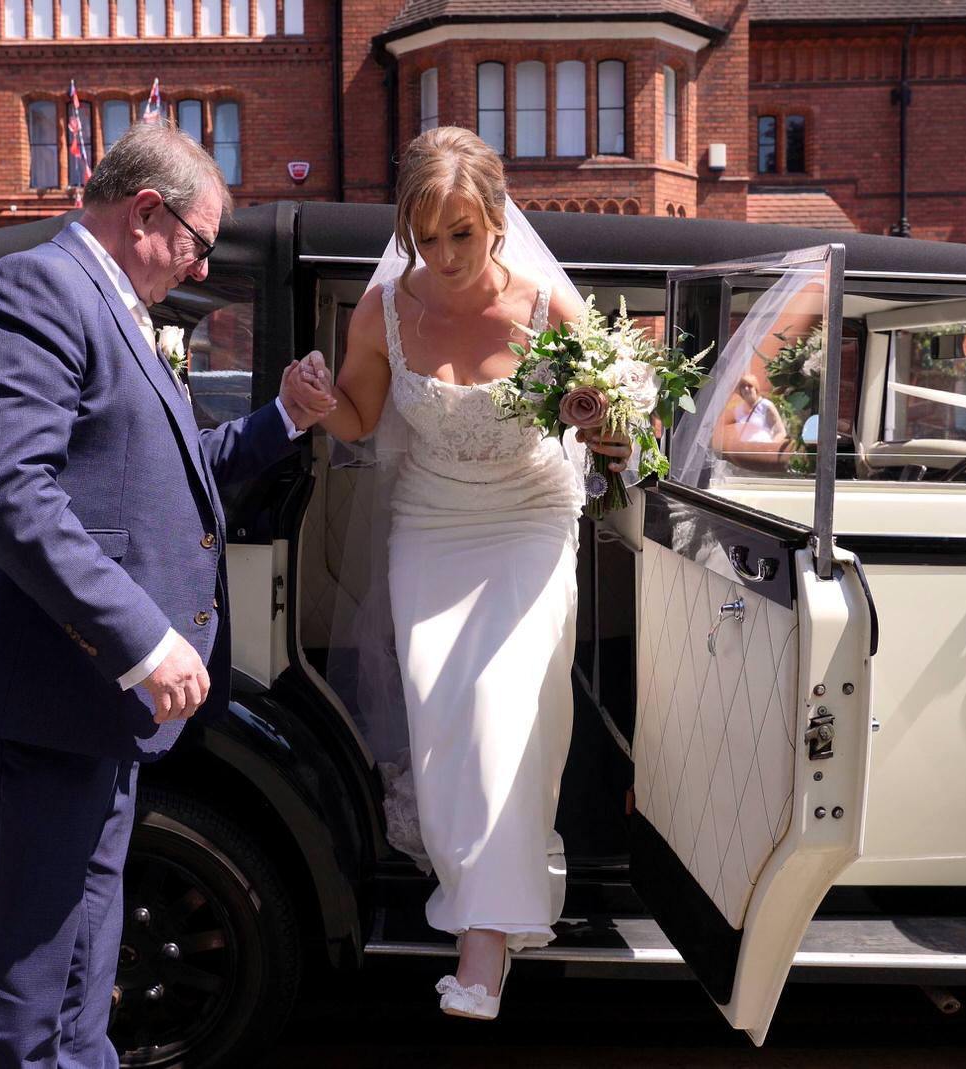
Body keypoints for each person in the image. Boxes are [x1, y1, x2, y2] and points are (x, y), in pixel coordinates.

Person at [0, 123, 336, 1069]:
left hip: (85, 703)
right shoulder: (36, 291)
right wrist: (143, 637)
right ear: (146, 213)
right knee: (28, 972)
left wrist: (284, 418)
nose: (201, 265)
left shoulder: (111, 303)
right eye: (199, 243)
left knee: (85, 955)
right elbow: (14, 491)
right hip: (39, 695)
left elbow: (168, 477)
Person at [306, 126, 628, 1020]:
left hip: (528, 522)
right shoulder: (383, 311)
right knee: (441, 718)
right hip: (431, 526)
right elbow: (363, 419)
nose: (444, 256)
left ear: (497, 220)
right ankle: (481, 891)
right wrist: (315, 403)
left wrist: (602, 422)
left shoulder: (549, 309)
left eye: (463, 233)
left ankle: (483, 947)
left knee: (502, 710)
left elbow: (619, 442)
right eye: (426, 235)